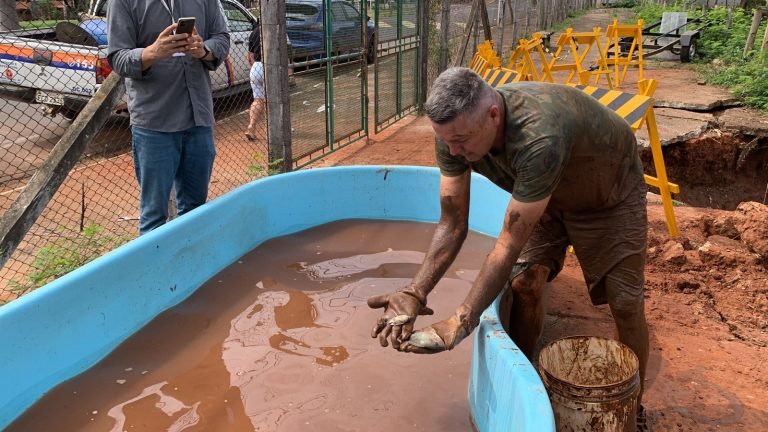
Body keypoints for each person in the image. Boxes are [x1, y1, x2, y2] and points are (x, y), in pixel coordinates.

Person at [368, 67, 650, 431]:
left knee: (626, 302)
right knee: (524, 284)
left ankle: (635, 407)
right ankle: (527, 381)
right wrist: (414, 291)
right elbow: (452, 222)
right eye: (446, 141)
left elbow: (507, 244)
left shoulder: (538, 136)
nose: (453, 151)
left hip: (607, 195)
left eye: (462, 141)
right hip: (542, 197)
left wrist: (460, 322)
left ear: (494, 115)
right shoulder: (453, 133)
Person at [106, 0, 230, 235]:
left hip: (199, 117)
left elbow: (222, 37)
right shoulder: (123, 2)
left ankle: (192, 266)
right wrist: (153, 52)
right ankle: (156, 270)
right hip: (155, 122)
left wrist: (202, 49)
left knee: (195, 208)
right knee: (154, 215)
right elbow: (117, 57)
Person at [246, 19, 265, 141]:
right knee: (273, 101)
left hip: (256, 66)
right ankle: (273, 130)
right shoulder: (278, 30)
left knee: (258, 100)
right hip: (269, 66)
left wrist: (256, 67)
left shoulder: (254, 32)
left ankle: (251, 126)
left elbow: (250, 56)